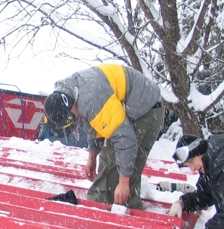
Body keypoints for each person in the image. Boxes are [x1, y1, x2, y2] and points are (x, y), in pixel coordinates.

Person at [44, 64, 164, 209]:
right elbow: (95, 125)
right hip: (132, 106)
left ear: (69, 104)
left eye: (70, 120)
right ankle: (110, 207)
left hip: (146, 111)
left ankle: (116, 213)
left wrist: (124, 182)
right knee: (113, 166)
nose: (72, 123)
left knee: (117, 164)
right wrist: (92, 157)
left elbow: (125, 139)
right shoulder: (71, 92)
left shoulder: (91, 100)